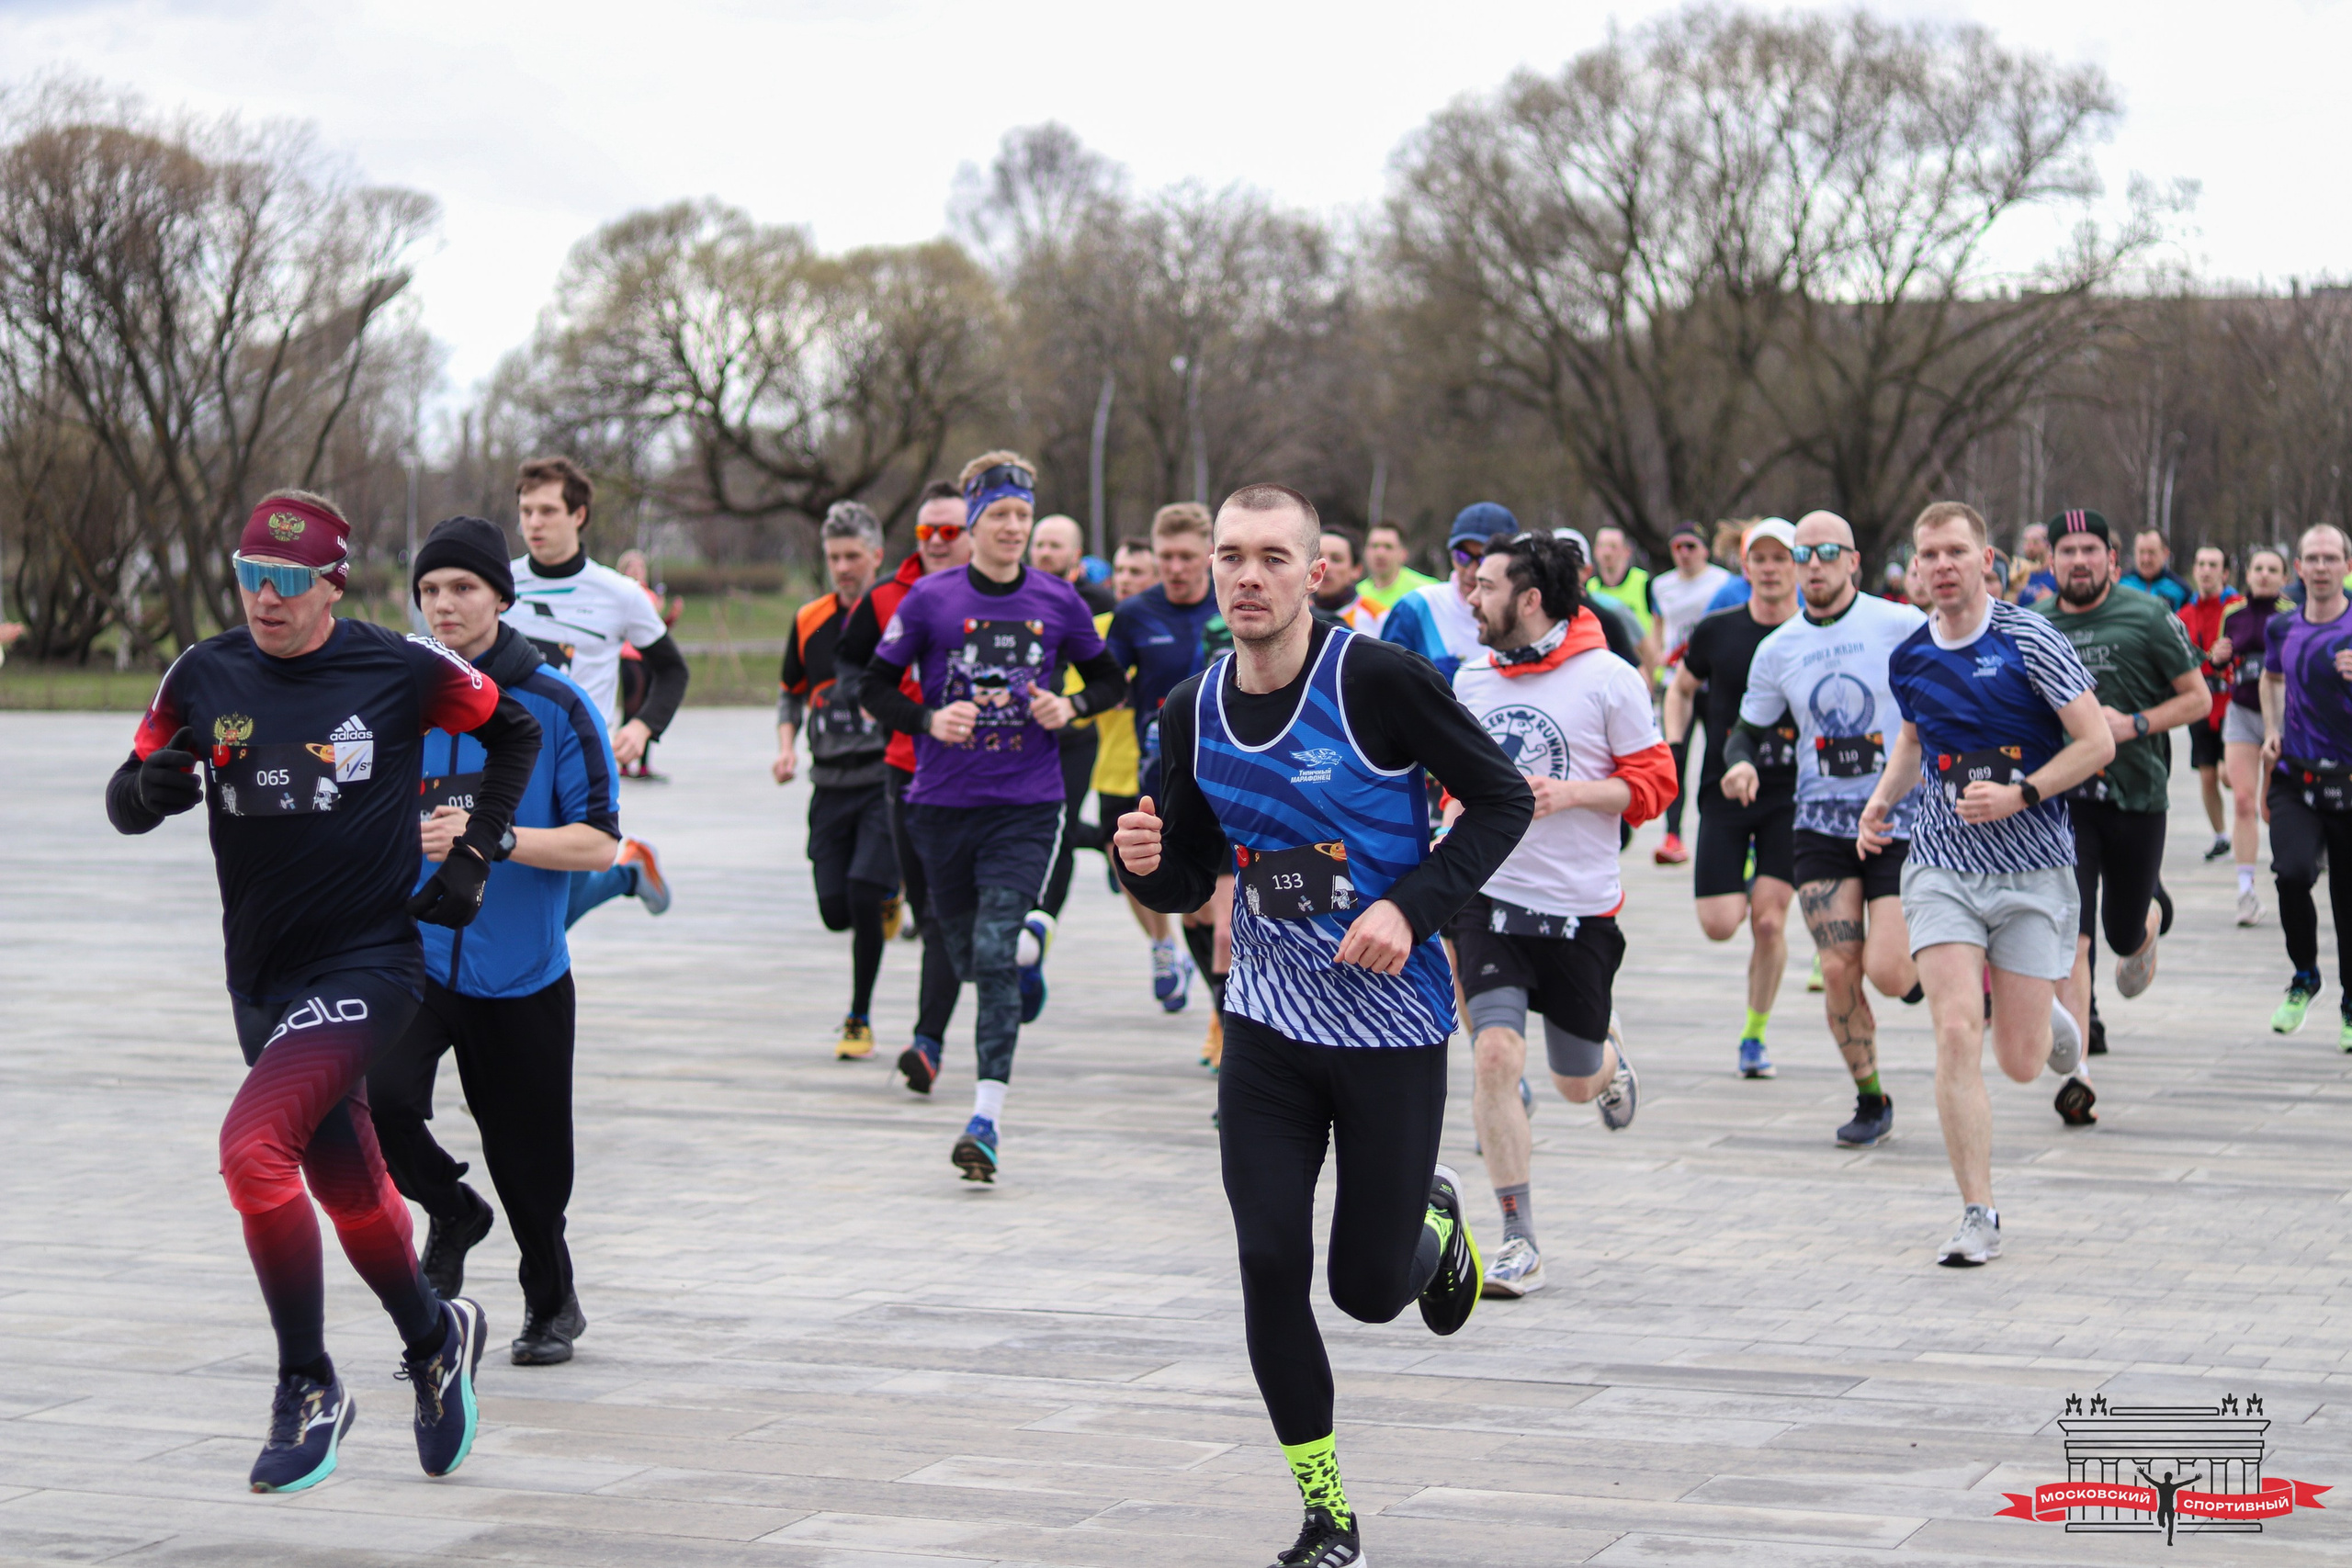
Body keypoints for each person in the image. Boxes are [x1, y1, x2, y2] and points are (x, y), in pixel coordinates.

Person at [1113, 482, 1529, 1568]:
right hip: (1265, 1029)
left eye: (1273, 558)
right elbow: (1197, 867)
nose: (1248, 576)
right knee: (1264, 1259)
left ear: (1314, 573)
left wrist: (1409, 906)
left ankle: (1430, 1229)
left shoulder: (1379, 682)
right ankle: (1326, 1510)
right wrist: (1154, 871)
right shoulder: (1189, 710)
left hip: (1390, 1029)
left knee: (1366, 1290)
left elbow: (1501, 800)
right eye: (1232, 556)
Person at [106, 490, 543, 1490]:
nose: (266, 598)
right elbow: (128, 794)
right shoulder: (201, 672)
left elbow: (511, 731)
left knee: (253, 1154)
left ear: (332, 585)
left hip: (371, 965)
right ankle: (436, 1338)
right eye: (252, 576)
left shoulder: (397, 664)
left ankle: (308, 1383)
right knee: (347, 1189)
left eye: (289, 582)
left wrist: (476, 850)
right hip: (260, 984)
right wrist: (148, 791)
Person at [367, 515, 617, 1369]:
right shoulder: (399, 700)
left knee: (532, 1170)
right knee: (380, 1097)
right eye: (430, 589)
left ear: (501, 598)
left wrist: (496, 838)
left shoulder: (555, 703)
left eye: (462, 587)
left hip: (523, 974)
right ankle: (450, 1206)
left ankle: (552, 1300)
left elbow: (599, 843)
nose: (443, 604)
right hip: (419, 957)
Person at [858, 451, 1127, 1179]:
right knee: (965, 946)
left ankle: (986, 1117)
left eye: (1023, 516)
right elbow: (874, 687)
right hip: (941, 806)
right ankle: (1017, 963)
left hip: (1027, 804)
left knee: (992, 947)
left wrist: (1068, 704)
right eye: (1000, 516)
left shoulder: (1059, 601)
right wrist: (926, 718)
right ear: (973, 522)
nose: (1013, 528)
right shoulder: (930, 602)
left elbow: (1107, 677)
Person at [1860, 501, 2109, 1267]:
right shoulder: (1909, 656)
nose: (1940, 565)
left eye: (1955, 552)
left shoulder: (2031, 639)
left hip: (2034, 869)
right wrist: (1881, 800)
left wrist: (2022, 793)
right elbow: (1910, 739)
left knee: (2024, 1061)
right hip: (1941, 866)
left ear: (1986, 560)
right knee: (1955, 1030)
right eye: (1927, 553)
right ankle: (1978, 1212)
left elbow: (2096, 742)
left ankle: (2057, 1024)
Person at [1452, 532, 1674, 1297]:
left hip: (1580, 908)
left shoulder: (1608, 677)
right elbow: (1447, 779)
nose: (1469, 597)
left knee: (1575, 1081)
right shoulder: (1473, 677)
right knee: (1493, 1057)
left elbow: (1654, 785)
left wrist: (1569, 793)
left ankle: (1609, 1063)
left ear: (1530, 599)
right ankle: (1519, 1238)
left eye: (1484, 586)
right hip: (1487, 898)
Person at [1724, 511, 1927, 1147]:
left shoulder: (1899, 624)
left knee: (1891, 972)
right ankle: (1871, 1097)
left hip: (1900, 814)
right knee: (1839, 968)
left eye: (1826, 552)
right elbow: (1747, 729)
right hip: (1819, 821)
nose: (1813, 564)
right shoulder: (1778, 647)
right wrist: (1738, 765)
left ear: (1853, 560)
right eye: (1802, 553)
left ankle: (1941, 966)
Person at [2034, 510, 2206, 1118]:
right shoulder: (2034, 625)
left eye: (2090, 549)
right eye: (2066, 550)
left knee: (2119, 933)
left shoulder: (2148, 615)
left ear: (2112, 557)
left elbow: (2198, 697)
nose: (2078, 560)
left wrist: (2133, 725)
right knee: (2071, 940)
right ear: (2049, 560)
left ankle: (2149, 920)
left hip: (2137, 797)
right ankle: (2076, 1070)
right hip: (2065, 806)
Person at [836, 479, 974, 1090]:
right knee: (928, 909)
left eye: (950, 530)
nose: (939, 542)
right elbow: (852, 660)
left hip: (984, 775)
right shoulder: (893, 594)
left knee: (948, 913)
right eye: (927, 532)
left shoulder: (1011, 593)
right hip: (907, 765)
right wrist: (883, 701)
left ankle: (927, 1042)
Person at [504, 457, 683, 923]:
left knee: (557, 912)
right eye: (526, 511)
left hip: (580, 765)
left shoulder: (619, 593)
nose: (533, 523)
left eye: (547, 511)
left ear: (578, 515)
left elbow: (673, 670)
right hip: (508, 759)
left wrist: (643, 728)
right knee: (520, 904)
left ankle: (628, 869)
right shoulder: (498, 585)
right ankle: (629, 870)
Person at [1667, 519, 1801, 1077]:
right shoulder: (1717, 630)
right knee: (1721, 923)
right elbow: (1680, 688)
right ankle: (1749, 878)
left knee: (1769, 922)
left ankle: (1754, 1034)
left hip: (1791, 795)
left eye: (1781, 559)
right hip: (1722, 790)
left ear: (1798, 566)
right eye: (1759, 559)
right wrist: (1673, 747)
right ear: (1744, 568)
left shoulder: (1812, 633)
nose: (1770, 569)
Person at [776, 502, 899, 1058]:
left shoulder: (899, 613)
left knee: (863, 891)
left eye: (854, 556)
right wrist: (784, 748)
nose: (844, 566)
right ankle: (888, 897)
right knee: (835, 911)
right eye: (834, 557)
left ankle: (859, 1018)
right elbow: (791, 690)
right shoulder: (809, 619)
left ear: (877, 556)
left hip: (882, 780)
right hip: (828, 782)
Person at [1106, 502, 1228, 1022]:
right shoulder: (1135, 614)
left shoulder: (1231, 607)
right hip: (1161, 776)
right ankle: (1222, 1007)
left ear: (1207, 556)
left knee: (1227, 917)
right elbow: (1107, 682)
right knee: (1197, 911)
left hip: (1231, 776)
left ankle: (1232, 1019)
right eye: (1165, 557)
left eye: (1185, 556)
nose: (1175, 568)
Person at [2260, 525, 2352, 1044]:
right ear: (2298, 567)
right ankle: (2305, 975)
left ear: (2345, 566)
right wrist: (2272, 728)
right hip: (2297, 776)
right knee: (2292, 873)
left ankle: (2351, 1003)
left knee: (2348, 902)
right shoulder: (2282, 628)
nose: (2320, 567)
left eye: (2330, 558)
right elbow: (2271, 679)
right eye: (2312, 559)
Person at [1029, 513, 1114, 923]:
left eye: (1055, 545)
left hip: (1075, 736)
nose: (1045, 553)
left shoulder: (1096, 602)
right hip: (1023, 737)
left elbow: (1113, 674)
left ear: (1075, 555)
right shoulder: (1017, 597)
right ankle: (1104, 838)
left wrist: (1075, 704)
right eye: (1040, 544)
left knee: (1059, 831)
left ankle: (1042, 921)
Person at [1648, 522, 1735, 865]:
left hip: (1712, 682)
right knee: (1676, 757)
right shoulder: (1661, 585)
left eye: (1691, 547)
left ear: (1705, 550)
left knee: (1716, 754)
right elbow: (1658, 627)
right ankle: (1673, 836)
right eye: (1677, 547)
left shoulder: (1722, 582)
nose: (1684, 554)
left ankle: (1719, 834)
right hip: (1676, 682)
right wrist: (1655, 660)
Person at [2220, 547, 2291, 926]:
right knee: (2244, 801)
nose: (2264, 575)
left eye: (2272, 569)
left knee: (2270, 808)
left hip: (2283, 718)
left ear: (2284, 577)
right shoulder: (2232, 614)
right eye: (2258, 568)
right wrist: (2216, 658)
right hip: (2241, 714)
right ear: (2247, 575)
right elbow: (2219, 663)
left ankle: (2294, 872)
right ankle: (2245, 892)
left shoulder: (2292, 616)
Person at [1382, 502, 1521, 682]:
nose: (1471, 572)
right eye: (1462, 557)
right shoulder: (1416, 607)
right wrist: (1421, 679)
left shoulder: (1530, 613)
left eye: (1484, 560)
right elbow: (1383, 685)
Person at [2178, 544, 2245, 862]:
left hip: (2232, 702)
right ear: (2194, 570)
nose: (2206, 570)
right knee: (2207, 774)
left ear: (2224, 572)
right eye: (2201, 564)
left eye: (2212, 565)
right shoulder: (2184, 614)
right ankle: (2221, 836)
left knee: (2228, 774)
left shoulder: (2236, 607)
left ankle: (2247, 812)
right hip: (2200, 702)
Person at [1586, 524, 1655, 646]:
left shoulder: (1645, 583)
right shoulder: (1589, 588)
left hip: (1641, 661)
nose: (1607, 553)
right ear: (1595, 551)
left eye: (1613, 547)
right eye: (1602, 546)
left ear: (1627, 551)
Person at [1358, 518, 1438, 622]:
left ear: (1404, 554)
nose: (1380, 554)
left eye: (1388, 547)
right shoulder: (1357, 595)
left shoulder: (1427, 590)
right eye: (1374, 546)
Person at [1314, 523, 1381, 631]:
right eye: (1318, 557)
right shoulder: (1294, 611)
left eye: (1336, 559)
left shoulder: (1378, 617)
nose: (1325, 566)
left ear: (1356, 570)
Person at [2118, 528, 2192, 611]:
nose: (2146, 559)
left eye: (2151, 552)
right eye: (2141, 552)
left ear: (2165, 553)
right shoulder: (2119, 583)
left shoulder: (2181, 590)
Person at [2015, 523, 2057, 606]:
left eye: (2035, 542)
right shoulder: (2019, 574)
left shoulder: (2057, 574)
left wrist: (2053, 600)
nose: (2029, 547)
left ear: (2048, 544)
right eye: (2026, 542)